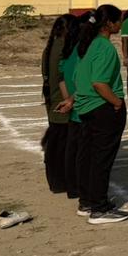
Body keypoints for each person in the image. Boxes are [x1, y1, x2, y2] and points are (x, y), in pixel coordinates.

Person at [72, 4, 128, 224]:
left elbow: (81, 76)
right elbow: (99, 82)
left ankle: (87, 201)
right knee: (101, 159)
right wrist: (116, 102)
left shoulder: (89, 44)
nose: (120, 24)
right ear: (109, 24)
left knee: (89, 156)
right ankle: (99, 208)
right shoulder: (104, 47)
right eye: (118, 20)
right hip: (102, 108)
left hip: (87, 107)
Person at [39, 15, 77, 194]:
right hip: (60, 100)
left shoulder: (50, 46)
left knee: (55, 143)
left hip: (52, 99)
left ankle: (57, 181)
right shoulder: (63, 47)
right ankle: (62, 182)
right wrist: (70, 99)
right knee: (62, 146)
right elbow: (62, 77)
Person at [60, 12, 90, 204]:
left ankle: (72, 187)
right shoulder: (82, 52)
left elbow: (62, 79)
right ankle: (81, 188)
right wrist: (73, 100)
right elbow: (85, 81)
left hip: (74, 108)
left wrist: (68, 100)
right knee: (83, 153)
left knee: (73, 150)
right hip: (83, 107)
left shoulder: (68, 50)